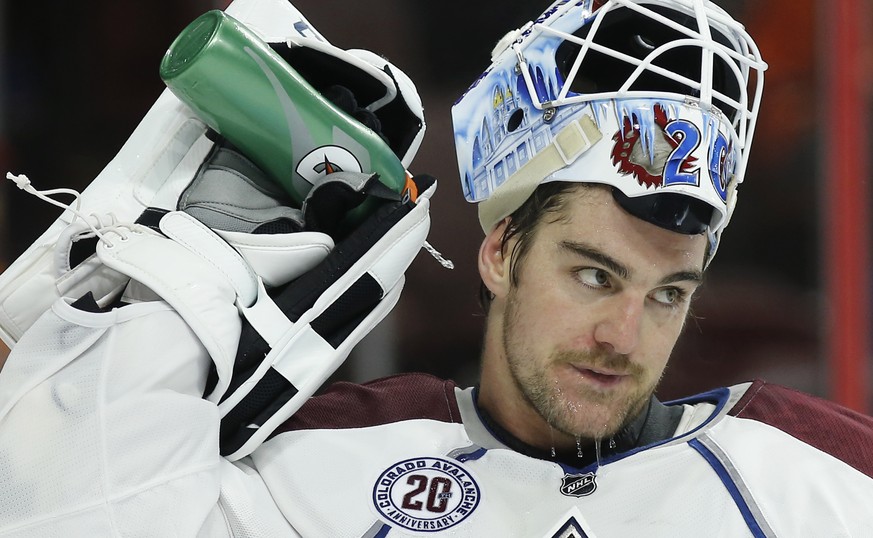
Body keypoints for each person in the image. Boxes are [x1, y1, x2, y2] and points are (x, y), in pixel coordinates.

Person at [0, 1, 871, 537]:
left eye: (669, 293)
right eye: (594, 276)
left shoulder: (817, 477)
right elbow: (65, 515)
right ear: (500, 253)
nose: (624, 336)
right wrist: (185, 271)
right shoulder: (326, 465)